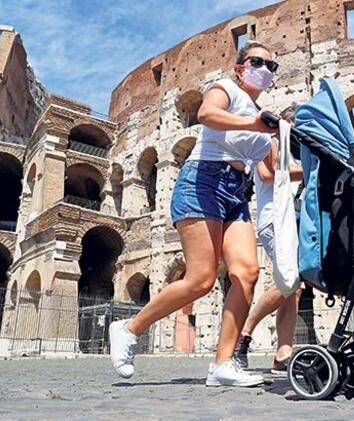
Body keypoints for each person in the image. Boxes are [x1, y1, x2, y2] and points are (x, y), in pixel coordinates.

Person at [108, 41, 281, 386]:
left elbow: (268, 173)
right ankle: (129, 328)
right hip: (202, 180)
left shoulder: (265, 118)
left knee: (246, 273)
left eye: (271, 66)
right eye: (258, 62)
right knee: (201, 279)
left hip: (235, 193)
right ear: (240, 67)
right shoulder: (226, 89)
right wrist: (253, 124)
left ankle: (222, 365)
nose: (265, 70)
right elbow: (205, 115)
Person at [233, 105, 304, 374]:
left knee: (293, 288)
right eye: (298, 124)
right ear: (286, 122)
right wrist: (312, 169)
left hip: (293, 220)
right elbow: (267, 173)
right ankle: (244, 334)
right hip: (274, 219)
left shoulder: (296, 151)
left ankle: (283, 353)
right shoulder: (269, 140)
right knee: (291, 279)